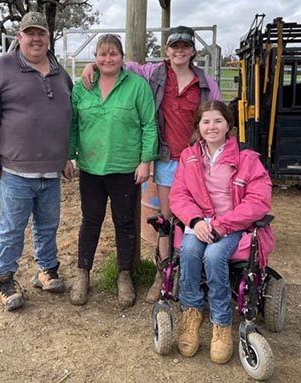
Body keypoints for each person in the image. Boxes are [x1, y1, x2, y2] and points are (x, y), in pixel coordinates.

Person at [82, 26, 221, 303]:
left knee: (203, 216)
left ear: (193, 50)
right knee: (168, 221)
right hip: (167, 159)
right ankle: (163, 275)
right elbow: (117, 63)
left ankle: (201, 273)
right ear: (166, 51)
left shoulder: (206, 83)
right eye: (174, 47)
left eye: (185, 46)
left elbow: (216, 118)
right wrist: (91, 65)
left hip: (197, 160)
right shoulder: (153, 74)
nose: (179, 51)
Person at [0, 11, 75, 311]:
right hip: (15, 169)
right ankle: (4, 279)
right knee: (12, 227)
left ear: (48, 37)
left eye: (41, 33)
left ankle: (46, 270)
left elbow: (70, 115)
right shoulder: (1, 68)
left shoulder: (59, 71)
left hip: (52, 170)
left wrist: (66, 154)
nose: (36, 38)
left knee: (48, 224)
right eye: (29, 33)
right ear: (20, 37)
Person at [169, 100, 273, 363]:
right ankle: (191, 314)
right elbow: (179, 194)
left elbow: (258, 200)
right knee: (190, 251)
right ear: (198, 126)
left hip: (232, 223)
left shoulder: (246, 158)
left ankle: (221, 323)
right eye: (206, 121)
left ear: (228, 125)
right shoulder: (189, 156)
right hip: (200, 223)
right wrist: (195, 221)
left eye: (218, 121)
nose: (212, 126)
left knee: (214, 257)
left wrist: (222, 224)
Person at [68, 34, 159, 308]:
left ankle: (124, 276)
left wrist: (145, 161)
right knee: (90, 221)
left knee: (124, 222)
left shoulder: (137, 86)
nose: (108, 59)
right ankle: (83, 273)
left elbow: (149, 124)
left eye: (113, 54)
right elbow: (73, 125)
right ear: (95, 57)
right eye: (102, 54)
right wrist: (69, 157)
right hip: (91, 168)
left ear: (122, 57)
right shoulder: (82, 87)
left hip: (124, 168)